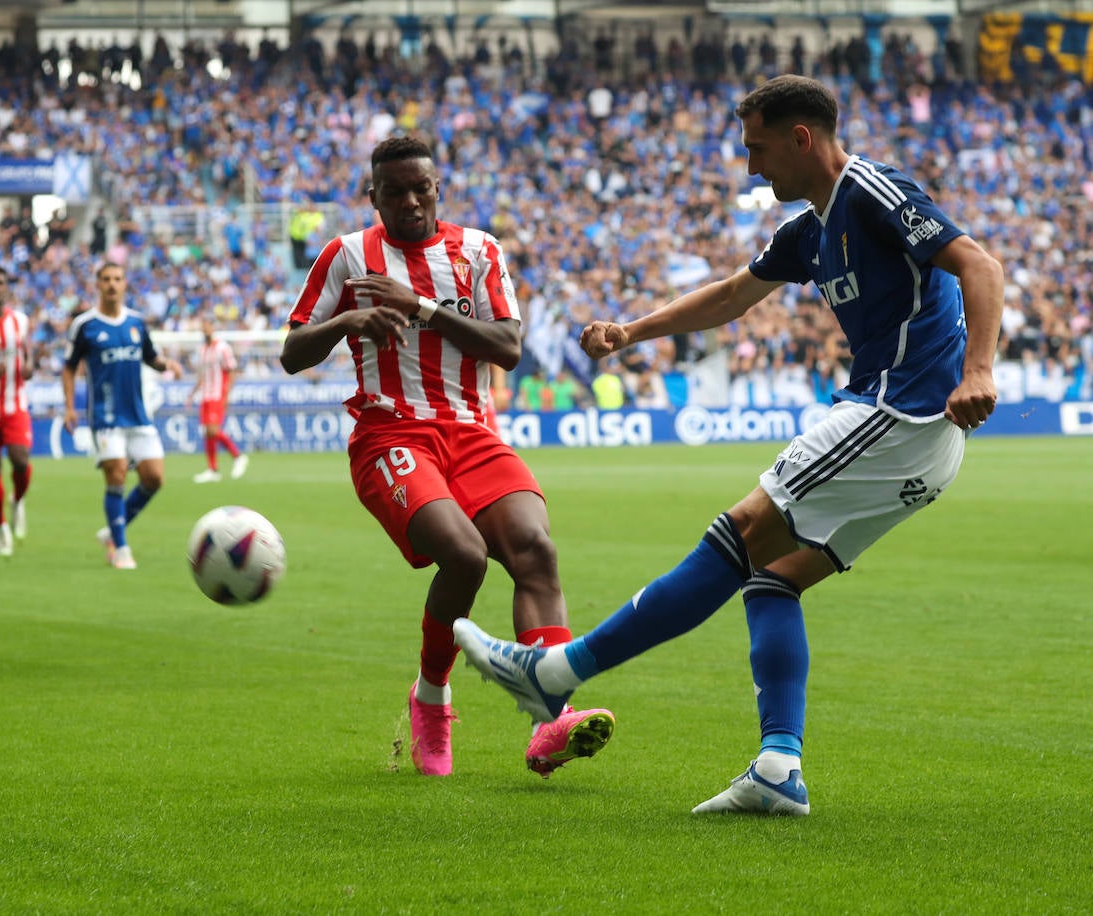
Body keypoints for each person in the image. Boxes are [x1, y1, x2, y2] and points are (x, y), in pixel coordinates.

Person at [453, 75, 1003, 814]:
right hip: (916, 443)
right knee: (774, 576)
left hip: (898, 412)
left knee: (741, 531)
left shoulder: (872, 191)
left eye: (759, 148)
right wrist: (632, 331)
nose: (751, 166)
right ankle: (779, 768)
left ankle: (555, 672)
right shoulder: (810, 231)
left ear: (801, 138)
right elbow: (732, 295)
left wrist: (978, 371)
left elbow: (980, 263)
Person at [279, 136, 615, 778]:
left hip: (472, 431)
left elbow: (508, 347)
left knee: (535, 550)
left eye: (421, 189)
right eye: (395, 191)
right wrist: (350, 322)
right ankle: (431, 697)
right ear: (372, 197)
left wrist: (423, 310)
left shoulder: (479, 250)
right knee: (463, 556)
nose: (410, 201)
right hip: (391, 433)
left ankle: (553, 721)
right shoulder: (347, 256)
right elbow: (293, 352)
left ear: (438, 189)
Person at [61, 262, 179, 570]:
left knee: (154, 479)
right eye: (106, 279)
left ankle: (112, 529)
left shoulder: (137, 323)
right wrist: (70, 406)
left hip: (138, 416)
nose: (112, 284)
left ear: (125, 284)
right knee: (116, 475)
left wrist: (168, 366)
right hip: (106, 416)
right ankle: (121, 547)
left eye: (117, 279)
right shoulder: (85, 325)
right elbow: (69, 367)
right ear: (97, 284)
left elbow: (151, 358)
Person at [0, 266, 33, 556]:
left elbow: (28, 350)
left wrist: (29, 365)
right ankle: (1, 527)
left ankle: (18, 499)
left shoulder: (20, 321)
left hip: (16, 404)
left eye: (1, 283)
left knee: (21, 460)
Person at [188, 315, 249, 483]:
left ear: (212, 328)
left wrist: (227, 395)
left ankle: (238, 456)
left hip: (217, 394)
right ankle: (213, 469)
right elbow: (202, 375)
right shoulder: (201, 350)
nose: (205, 329)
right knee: (207, 433)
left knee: (213, 430)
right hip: (205, 395)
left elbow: (231, 371)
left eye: (207, 325)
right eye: (203, 326)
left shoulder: (222, 348)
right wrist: (192, 394)